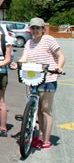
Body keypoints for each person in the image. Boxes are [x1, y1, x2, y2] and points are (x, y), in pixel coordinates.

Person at [18, 18, 65, 149]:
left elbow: (61, 55)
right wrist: (17, 63)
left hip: (48, 79)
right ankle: (39, 137)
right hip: (34, 78)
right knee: (37, 110)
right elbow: (24, 57)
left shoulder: (49, 39)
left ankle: (46, 140)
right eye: (33, 28)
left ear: (43, 28)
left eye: (37, 28)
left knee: (45, 111)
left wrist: (59, 67)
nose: (35, 30)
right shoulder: (29, 43)